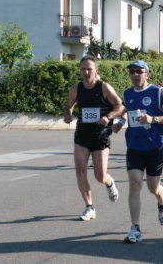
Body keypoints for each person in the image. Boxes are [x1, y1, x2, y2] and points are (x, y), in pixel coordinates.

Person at [112, 60, 163, 243]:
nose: (134, 74)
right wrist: (121, 122)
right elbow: (129, 112)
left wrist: (153, 119)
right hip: (134, 146)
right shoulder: (127, 93)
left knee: (153, 187)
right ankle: (135, 228)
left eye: (138, 71)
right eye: (132, 71)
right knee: (134, 184)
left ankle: (162, 202)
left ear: (147, 74)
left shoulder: (158, 93)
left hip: (155, 146)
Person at [64, 55, 124, 221]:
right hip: (82, 135)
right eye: (83, 69)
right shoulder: (76, 88)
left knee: (99, 176)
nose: (86, 72)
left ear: (96, 70)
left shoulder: (104, 87)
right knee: (80, 172)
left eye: (89, 69)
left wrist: (108, 116)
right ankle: (89, 207)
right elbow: (69, 105)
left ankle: (109, 182)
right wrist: (67, 114)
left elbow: (119, 105)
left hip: (100, 135)